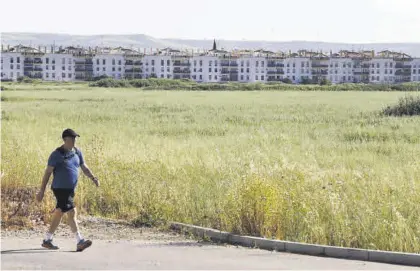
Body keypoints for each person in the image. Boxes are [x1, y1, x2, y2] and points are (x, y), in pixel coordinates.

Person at [36, 128, 100, 252]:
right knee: (72, 212)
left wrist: (93, 178)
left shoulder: (77, 152)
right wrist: (42, 191)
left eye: (75, 138)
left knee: (59, 212)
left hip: (70, 189)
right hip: (60, 188)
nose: (74, 141)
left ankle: (47, 240)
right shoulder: (56, 154)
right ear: (65, 140)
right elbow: (47, 173)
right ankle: (80, 241)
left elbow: (84, 167)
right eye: (72, 139)